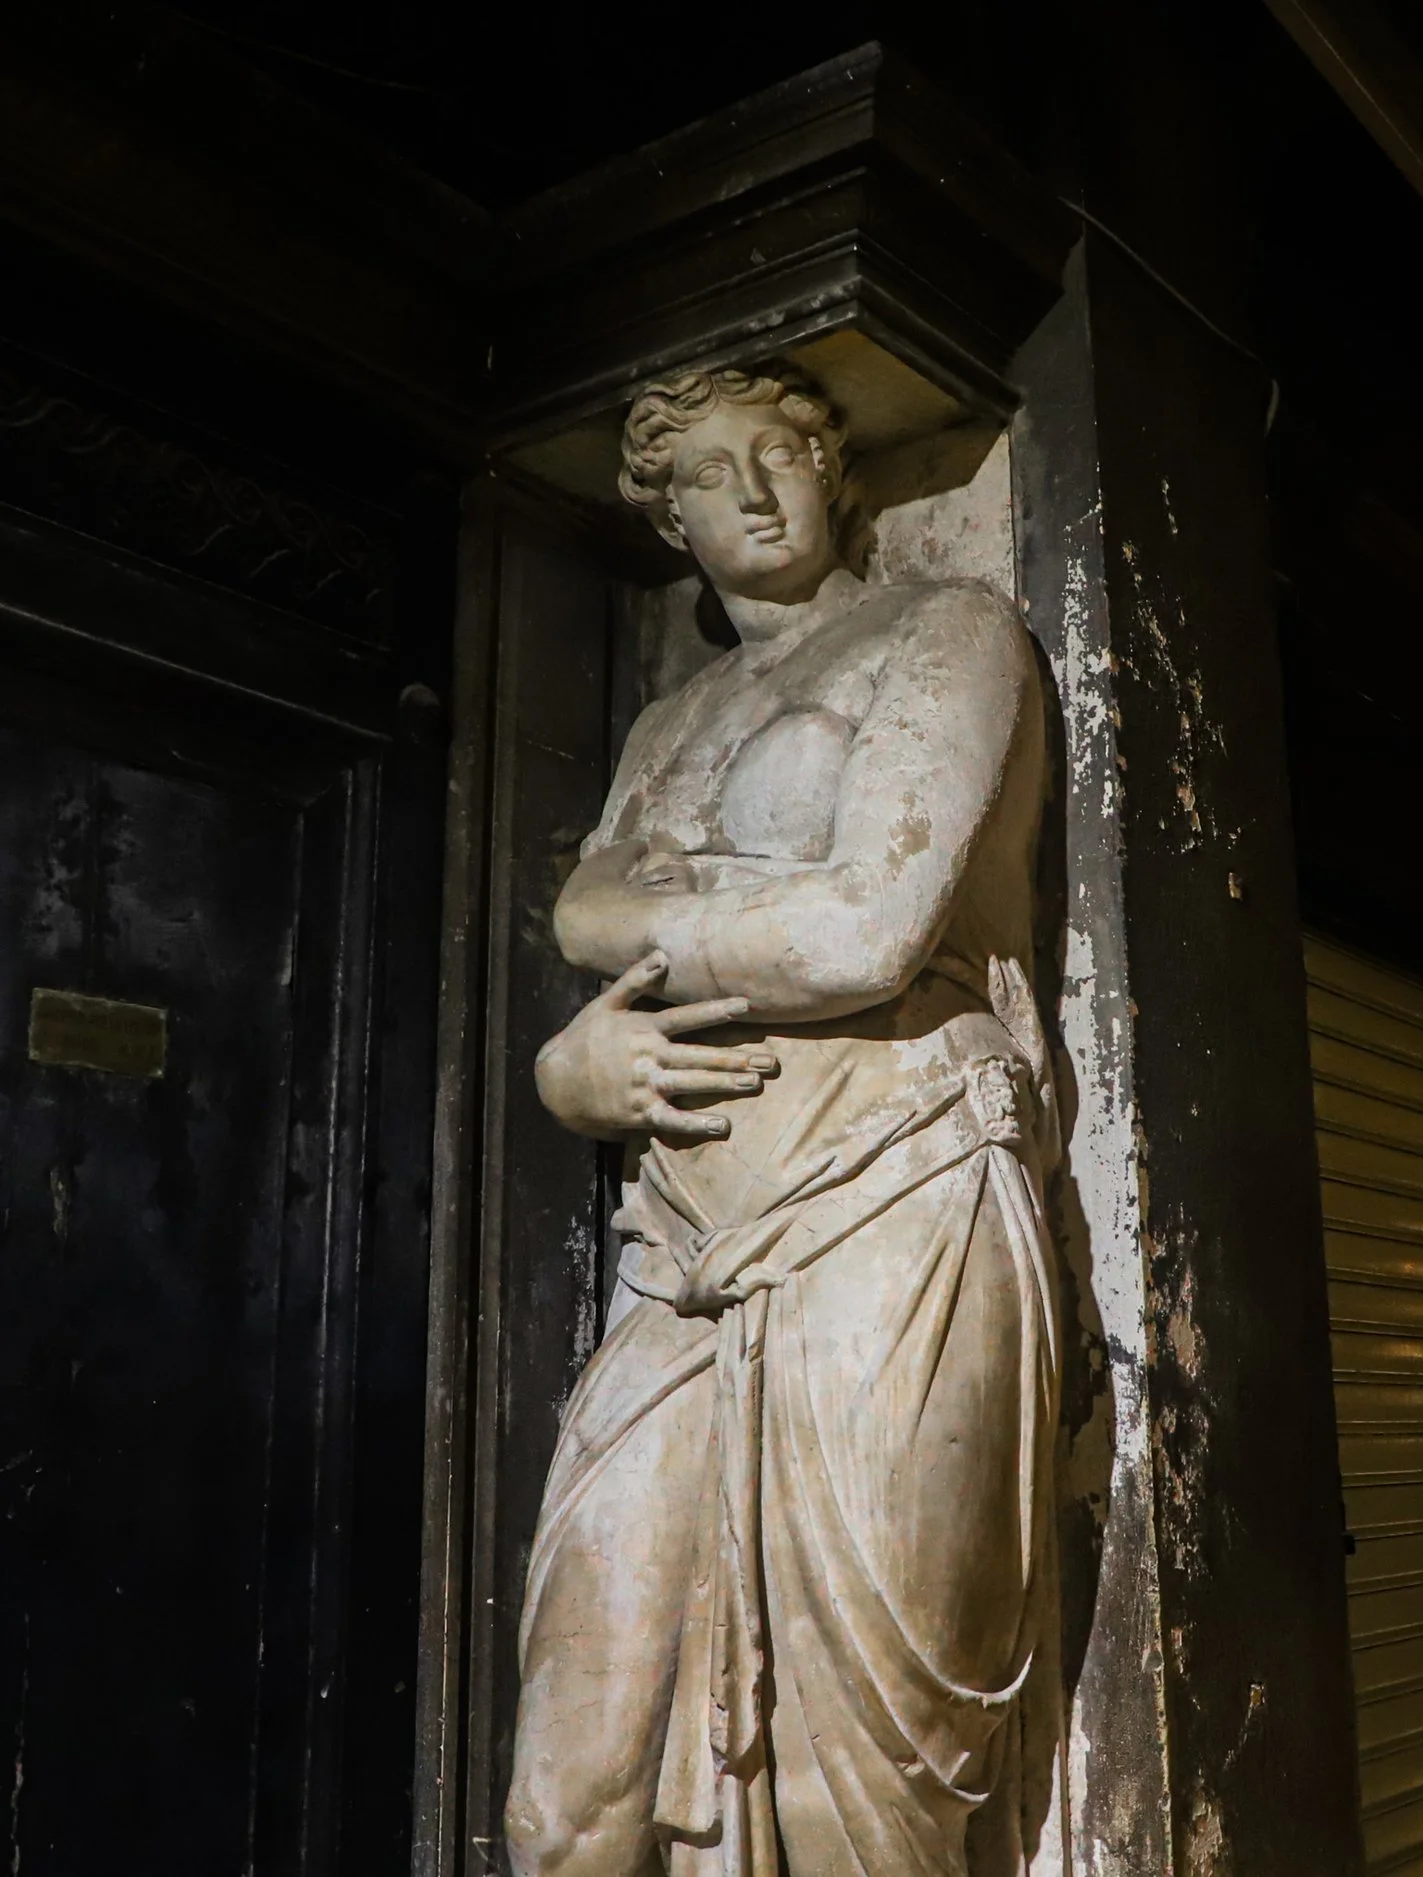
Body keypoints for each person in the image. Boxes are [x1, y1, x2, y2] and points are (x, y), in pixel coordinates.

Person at [502, 358, 1057, 1877]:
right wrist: (570, 1074)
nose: (751, 492)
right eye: (709, 473)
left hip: (896, 1196)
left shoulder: (946, 637)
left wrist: (645, 920)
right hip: (677, 1244)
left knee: (858, 1797)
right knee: (569, 1798)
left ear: (834, 473)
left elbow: (865, 936)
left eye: (783, 453)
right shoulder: (663, 731)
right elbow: (573, 913)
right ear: (669, 518)